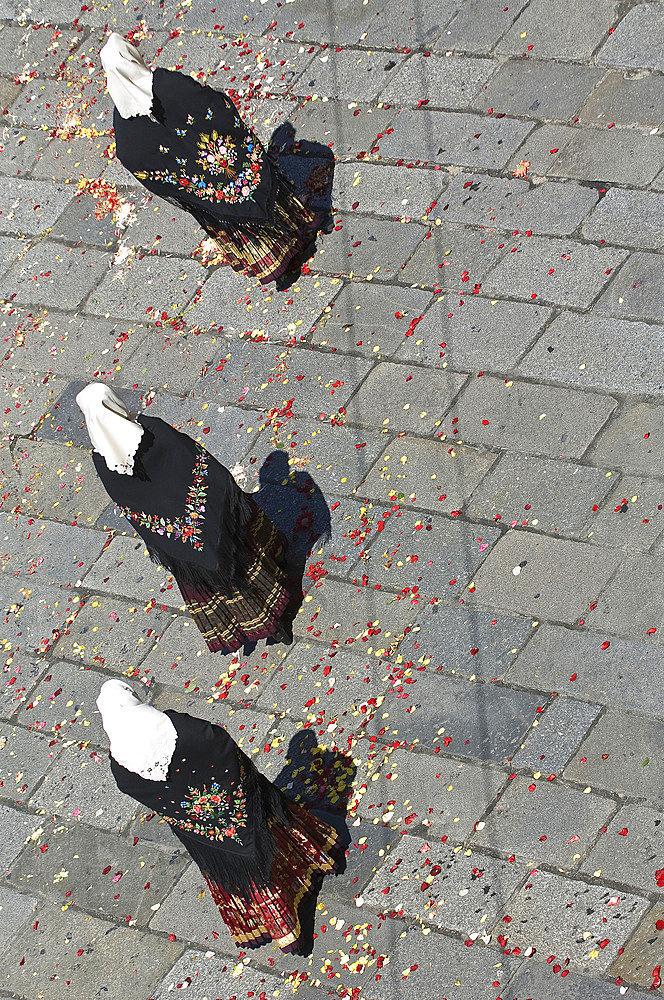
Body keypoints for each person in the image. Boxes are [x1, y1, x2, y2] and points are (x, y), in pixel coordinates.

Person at [97, 679, 341, 952]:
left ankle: (280, 924)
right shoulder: (179, 728)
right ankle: (309, 866)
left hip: (204, 835)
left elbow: (152, 797)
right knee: (269, 837)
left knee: (246, 876)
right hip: (242, 806)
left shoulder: (121, 767)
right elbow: (221, 744)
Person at [77, 382, 293, 653]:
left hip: (179, 543)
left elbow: (133, 510)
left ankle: (265, 624)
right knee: (245, 555)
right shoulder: (151, 429)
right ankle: (278, 593)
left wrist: (173, 535)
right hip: (214, 517)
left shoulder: (104, 464)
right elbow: (196, 460)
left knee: (218, 585)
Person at [101, 32, 319, 289]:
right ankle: (295, 234)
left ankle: (276, 259)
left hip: (205, 186)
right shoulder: (165, 83)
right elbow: (212, 103)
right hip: (226, 159)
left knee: (233, 214)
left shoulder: (124, 123)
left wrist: (185, 182)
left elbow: (134, 160)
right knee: (259, 192)